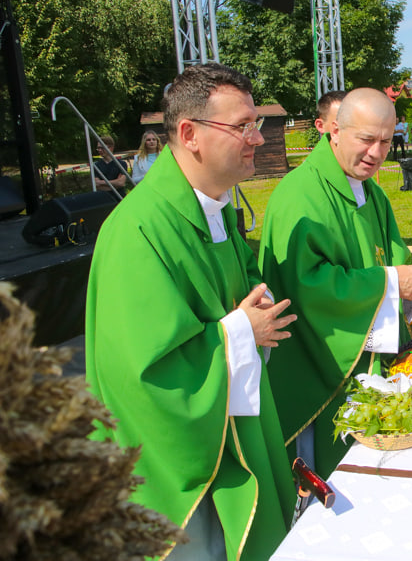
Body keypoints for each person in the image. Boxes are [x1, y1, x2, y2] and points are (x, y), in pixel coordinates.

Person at [86, 63, 298, 561]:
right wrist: (241, 331)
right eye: (242, 126)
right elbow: (143, 373)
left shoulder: (213, 206)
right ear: (189, 134)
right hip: (177, 459)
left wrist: (253, 310)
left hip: (228, 421)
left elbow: (241, 290)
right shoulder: (138, 230)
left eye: (257, 124)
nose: (258, 139)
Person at [259, 88, 412, 479]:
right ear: (335, 131)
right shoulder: (299, 194)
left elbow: (389, 253)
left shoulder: (368, 189)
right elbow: (305, 286)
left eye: (386, 141)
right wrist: (391, 284)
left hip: (370, 357)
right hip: (319, 364)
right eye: (367, 140)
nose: (376, 153)